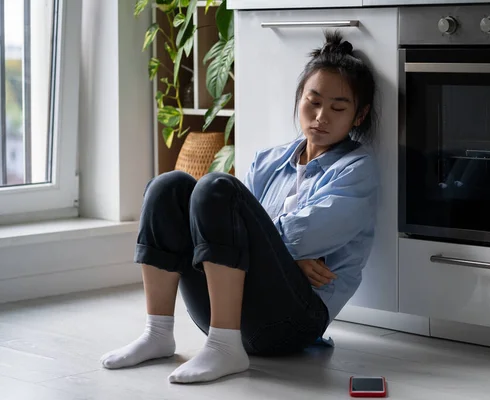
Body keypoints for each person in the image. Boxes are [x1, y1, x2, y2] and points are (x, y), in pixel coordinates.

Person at [100, 30, 379, 384]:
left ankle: (225, 347)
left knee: (217, 188)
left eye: (338, 108)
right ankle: (158, 333)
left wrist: (269, 249)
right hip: (222, 309)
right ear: (299, 100)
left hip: (291, 324)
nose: (321, 117)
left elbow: (300, 232)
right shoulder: (269, 161)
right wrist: (283, 256)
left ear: (359, 115)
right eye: (313, 102)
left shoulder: (358, 170)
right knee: (169, 186)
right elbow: (237, 233)